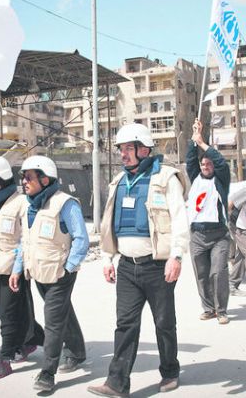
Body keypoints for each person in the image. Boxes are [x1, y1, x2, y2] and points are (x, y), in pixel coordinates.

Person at [87, 123, 189, 398]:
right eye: (121, 149)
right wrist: (107, 259)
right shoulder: (119, 181)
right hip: (127, 268)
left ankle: (170, 371)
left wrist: (176, 256)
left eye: (128, 148)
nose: (123, 154)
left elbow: (180, 219)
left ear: (144, 149)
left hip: (158, 266)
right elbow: (111, 224)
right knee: (125, 325)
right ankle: (117, 382)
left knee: (164, 323)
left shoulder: (166, 178)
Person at [9, 155, 89, 393]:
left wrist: (68, 268)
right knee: (63, 311)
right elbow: (26, 241)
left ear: (45, 179)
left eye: (29, 177)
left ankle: (48, 372)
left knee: (53, 322)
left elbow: (81, 239)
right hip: (38, 271)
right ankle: (77, 351)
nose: (24, 182)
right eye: (23, 177)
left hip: (59, 274)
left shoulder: (65, 203)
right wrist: (16, 269)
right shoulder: (27, 205)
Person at [0, 156, 45, 380]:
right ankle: (37, 338)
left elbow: (26, 239)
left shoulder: (22, 203)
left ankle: (5, 359)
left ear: (3, 181)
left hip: (12, 269)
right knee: (3, 312)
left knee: (7, 315)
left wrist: (18, 268)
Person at [185, 119, 232, 325]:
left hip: (218, 235)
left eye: (208, 163)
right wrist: (194, 137)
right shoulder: (195, 177)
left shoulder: (221, 178)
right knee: (201, 274)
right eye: (203, 164)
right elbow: (189, 160)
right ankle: (208, 308)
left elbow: (220, 161)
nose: (205, 166)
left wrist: (203, 143)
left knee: (218, 272)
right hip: (197, 234)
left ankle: (221, 310)